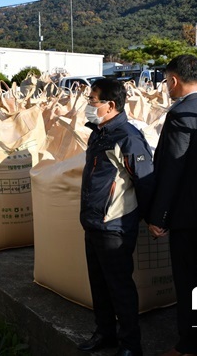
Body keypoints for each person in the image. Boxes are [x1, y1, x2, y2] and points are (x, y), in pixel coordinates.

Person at [146, 55, 197, 356]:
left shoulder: (180, 114)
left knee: (187, 282)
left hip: (186, 216)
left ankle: (188, 345)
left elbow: (172, 170)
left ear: (174, 80)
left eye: (167, 81)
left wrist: (159, 216)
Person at [77, 79, 154, 356]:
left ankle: (131, 345)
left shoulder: (128, 137)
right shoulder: (98, 132)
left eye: (92, 100)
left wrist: (152, 218)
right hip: (93, 221)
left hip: (115, 224)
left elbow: (145, 181)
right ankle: (105, 333)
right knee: (99, 284)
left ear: (110, 105)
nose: (88, 105)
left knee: (120, 287)